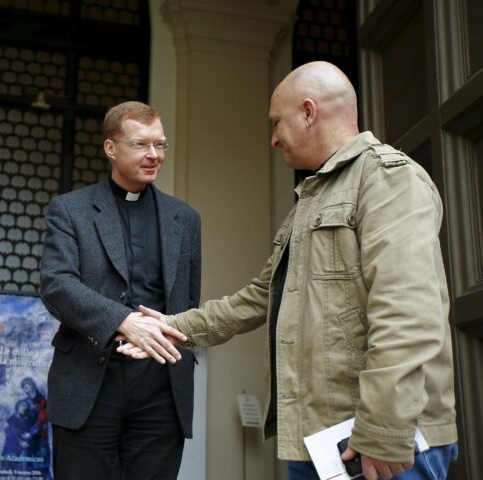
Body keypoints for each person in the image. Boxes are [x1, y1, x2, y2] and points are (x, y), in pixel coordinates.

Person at [121, 61, 458, 480]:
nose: (274, 138)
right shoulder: (313, 197)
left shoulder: (389, 180)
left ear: (309, 112)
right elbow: (261, 294)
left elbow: (408, 313)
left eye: (278, 122)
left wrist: (384, 427)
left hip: (380, 441)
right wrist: (176, 326)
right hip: (322, 439)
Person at [40, 100, 201, 479]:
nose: (153, 155)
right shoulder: (70, 210)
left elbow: (188, 301)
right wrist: (122, 320)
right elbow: (57, 285)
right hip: (90, 381)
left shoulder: (186, 219)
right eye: (140, 144)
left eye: (160, 145)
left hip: (161, 389)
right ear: (111, 148)